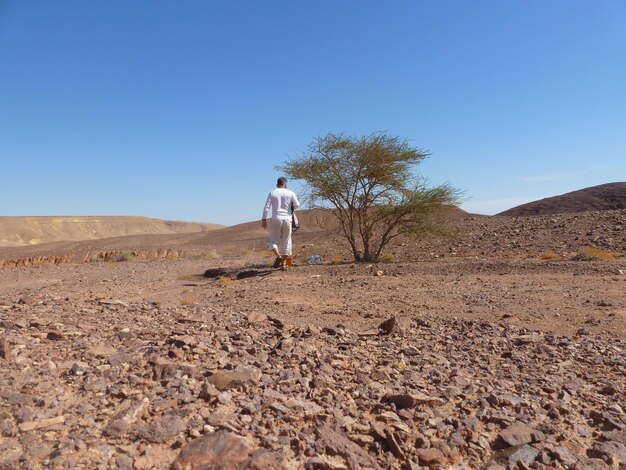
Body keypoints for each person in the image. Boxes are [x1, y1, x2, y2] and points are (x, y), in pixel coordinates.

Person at [262, 177, 300, 269]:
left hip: (275, 219)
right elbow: (297, 205)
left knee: (272, 240)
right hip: (287, 219)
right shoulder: (290, 193)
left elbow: (266, 207)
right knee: (287, 241)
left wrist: (264, 219)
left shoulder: (272, 192)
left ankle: (278, 256)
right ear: (285, 184)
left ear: (277, 185)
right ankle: (283, 264)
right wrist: (290, 209)